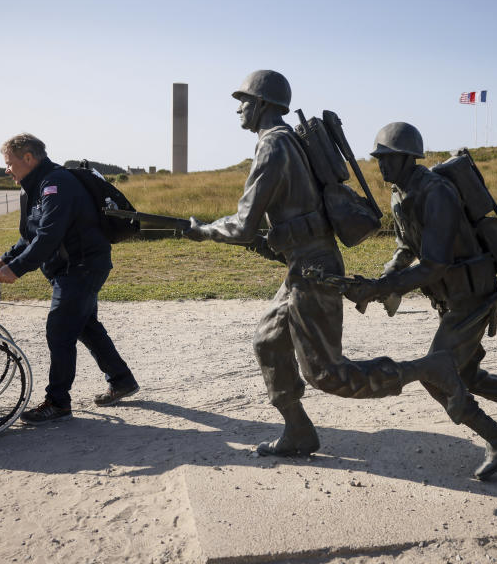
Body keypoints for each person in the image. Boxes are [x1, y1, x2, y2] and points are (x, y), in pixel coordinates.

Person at [183, 70, 471, 463]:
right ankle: (298, 430)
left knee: (328, 375)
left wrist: (204, 231)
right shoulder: (288, 142)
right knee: (268, 342)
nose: (239, 108)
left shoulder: (273, 146)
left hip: (313, 266)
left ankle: (425, 368)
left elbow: (244, 223)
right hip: (303, 264)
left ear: (263, 104)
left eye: (244, 100)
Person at [342, 122, 497, 479]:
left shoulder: (436, 192)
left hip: (471, 293)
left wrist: (380, 288)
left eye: (388, 158)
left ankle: (496, 437)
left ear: (408, 158)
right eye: (379, 158)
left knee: (436, 374)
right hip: (448, 297)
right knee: (466, 374)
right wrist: (386, 277)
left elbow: (436, 262)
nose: (381, 165)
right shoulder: (400, 193)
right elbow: (408, 247)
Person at [0, 133, 139, 424]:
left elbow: (48, 236)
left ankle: (58, 402)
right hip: (71, 268)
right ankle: (122, 380)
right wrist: (8, 257)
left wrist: (17, 269)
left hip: (82, 267)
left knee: (59, 330)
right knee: (85, 325)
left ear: (29, 158)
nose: (6, 169)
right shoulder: (36, 186)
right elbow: (31, 235)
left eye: (9, 163)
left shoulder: (56, 184)